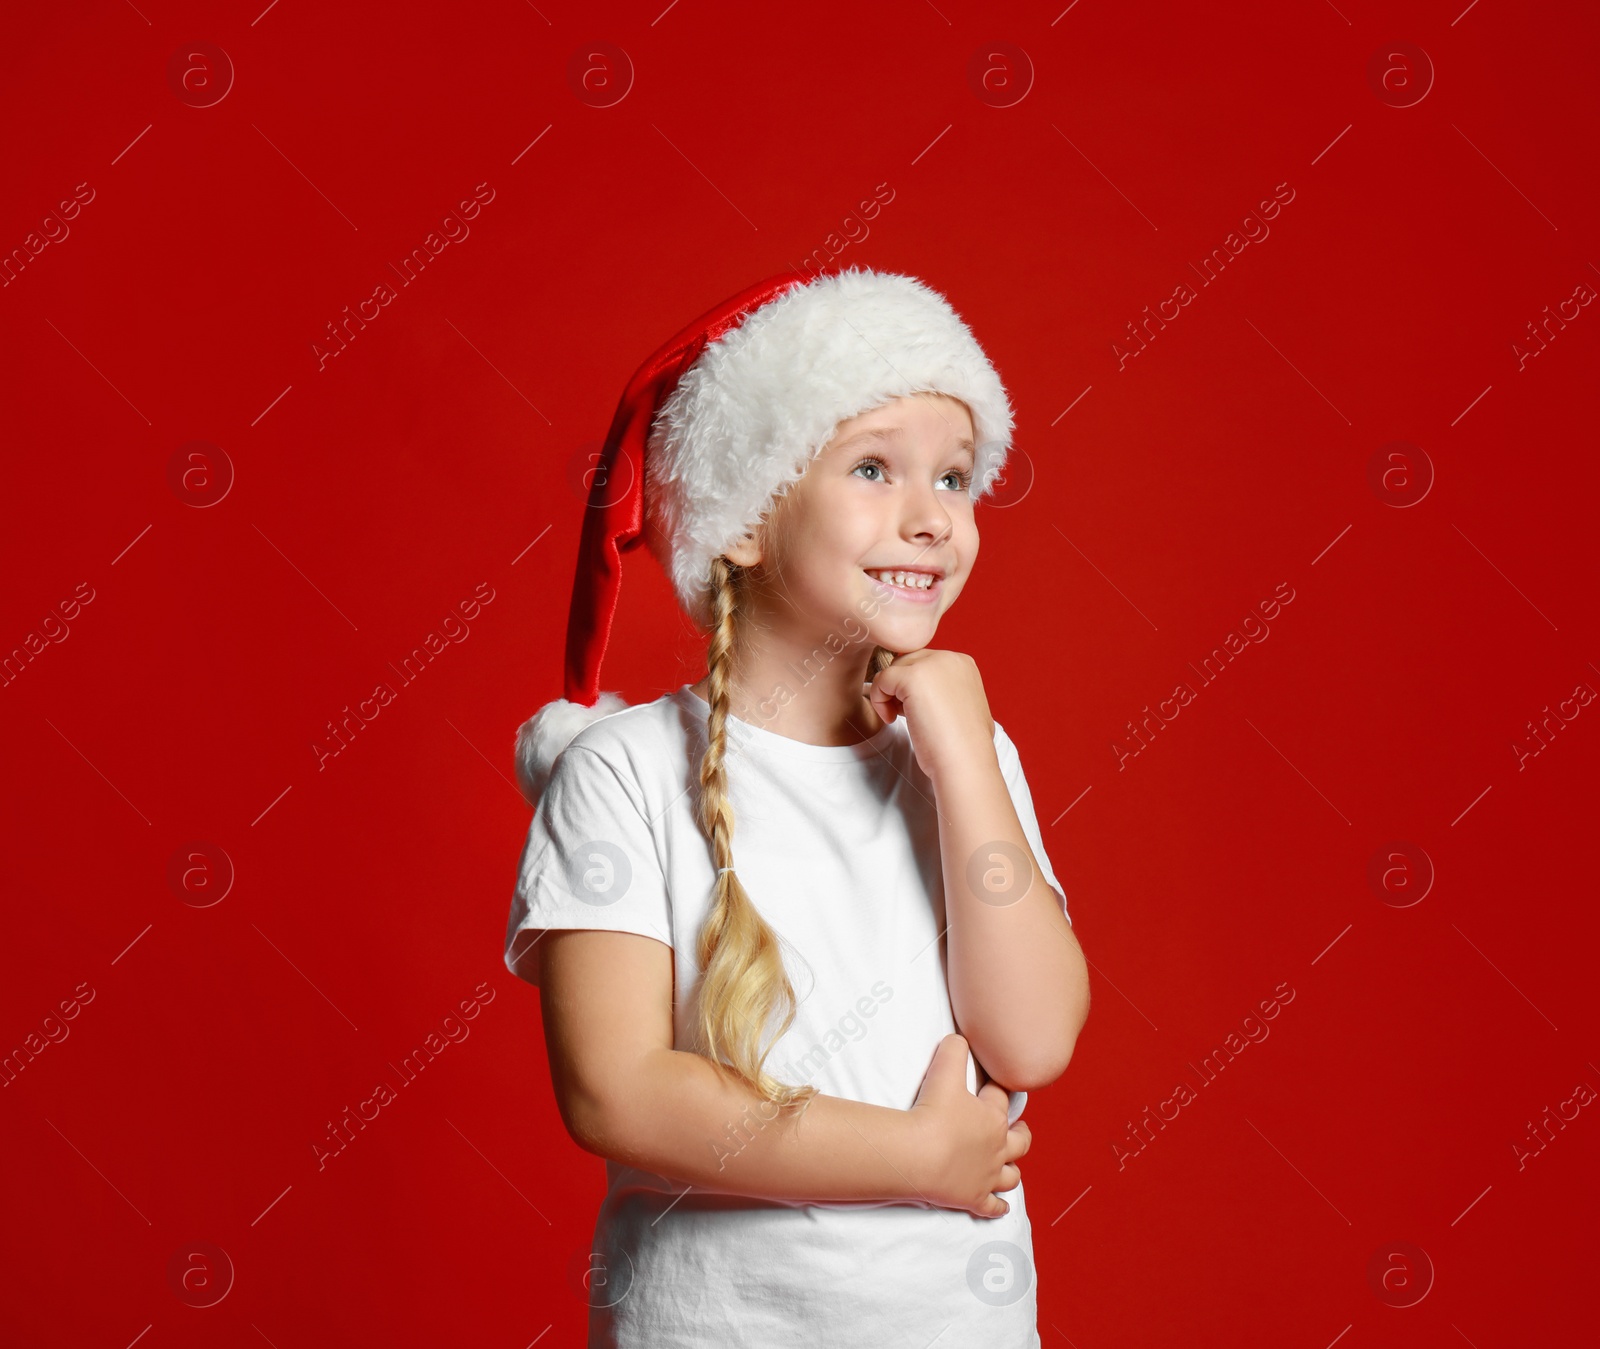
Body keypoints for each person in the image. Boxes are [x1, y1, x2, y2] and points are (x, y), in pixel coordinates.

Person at [503, 265, 1090, 1347]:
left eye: (955, 477)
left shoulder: (965, 753)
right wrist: (917, 1154)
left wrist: (964, 760)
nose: (931, 518)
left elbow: (1034, 1033)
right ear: (743, 521)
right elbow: (616, 1089)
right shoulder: (622, 773)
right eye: (874, 467)